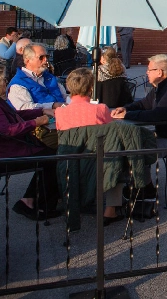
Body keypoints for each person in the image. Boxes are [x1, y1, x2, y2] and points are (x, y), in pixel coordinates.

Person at [0, 66, 60, 220]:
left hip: (4, 150)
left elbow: (14, 115)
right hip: (4, 156)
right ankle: (39, 204)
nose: (6, 82)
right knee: (53, 157)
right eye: (3, 80)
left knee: (50, 155)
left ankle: (31, 199)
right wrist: (35, 123)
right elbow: (5, 131)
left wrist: (41, 111)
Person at [54, 67, 124, 222]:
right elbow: (111, 134)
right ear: (91, 88)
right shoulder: (101, 109)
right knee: (118, 155)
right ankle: (110, 209)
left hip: (70, 161)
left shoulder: (60, 112)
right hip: (99, 159)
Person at [111, 54, 167, 145]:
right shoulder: (161, 86)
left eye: (149, 70)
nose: (147, 72)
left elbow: (157, 115)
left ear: (159, 72)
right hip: (166, 137)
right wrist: (125, 108)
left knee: (132, 144)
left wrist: (127, 115)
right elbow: (143, 104)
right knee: (128, 140)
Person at [8, 43, 67, 111]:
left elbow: (64, 96)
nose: (46, 60)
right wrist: (53, 105)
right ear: (28, 60)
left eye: (47, 57)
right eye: (41, 57)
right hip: (43, 117)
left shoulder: (49, 77)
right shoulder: (18, 84)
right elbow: (26, 109)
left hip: (63, 113)